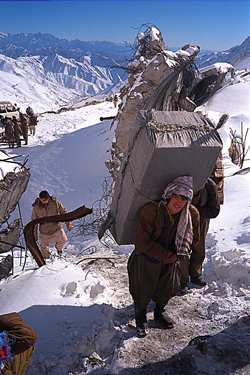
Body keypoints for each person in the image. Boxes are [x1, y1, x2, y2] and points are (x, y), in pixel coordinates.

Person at [128, 176, 199, 337]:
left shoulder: (190, 214)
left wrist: (182, 250)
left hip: (172, 260)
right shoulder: (150, 210)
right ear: (169, 194)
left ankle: (159, 312)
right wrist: (167, 255)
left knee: (167, 289)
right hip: (145, 259)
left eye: (185, 198)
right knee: (142, 290)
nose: (180, 202)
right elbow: (142, 243)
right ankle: (140, 317)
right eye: (178, 196)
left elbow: (195, 237)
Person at [31, 191, 73, 259]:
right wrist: (35, 236)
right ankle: (48, 260)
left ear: (49, 197)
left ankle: (59, 251)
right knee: (43, 249)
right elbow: (34, 222)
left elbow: (64, 212)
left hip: (56, 228)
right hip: (44, 232)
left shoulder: (55, 203)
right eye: (43, 200)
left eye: (46, 199)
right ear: (40, 199)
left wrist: (68, 223)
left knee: (63, 240)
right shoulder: (36, 207)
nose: (45, 201)